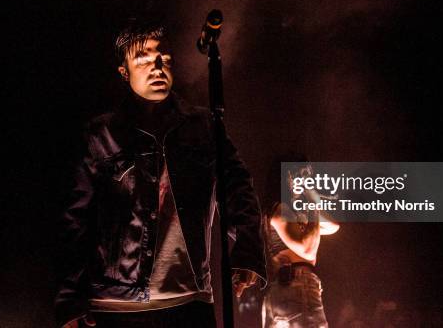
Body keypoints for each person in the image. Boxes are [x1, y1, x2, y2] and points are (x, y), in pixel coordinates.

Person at [54, 20, 266, 328]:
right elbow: (74, 219)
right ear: (123, 73)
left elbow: (238, 188)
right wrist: (69, 297)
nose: (157, 67)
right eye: (144, 61)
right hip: (117, 305)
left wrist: (247, 249)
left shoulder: (204, 126)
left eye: (164, 60)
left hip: (189, 301)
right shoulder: (100, 134)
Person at [262, 156, 339, 328]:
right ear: (287, 176)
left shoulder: (293, 211)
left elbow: (333, 226)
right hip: (296, 288)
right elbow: (307, 249)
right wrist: (312, 200)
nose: (308, 179)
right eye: (303, 173)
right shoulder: (281, 209)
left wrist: (312, 199)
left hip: (289, 289)